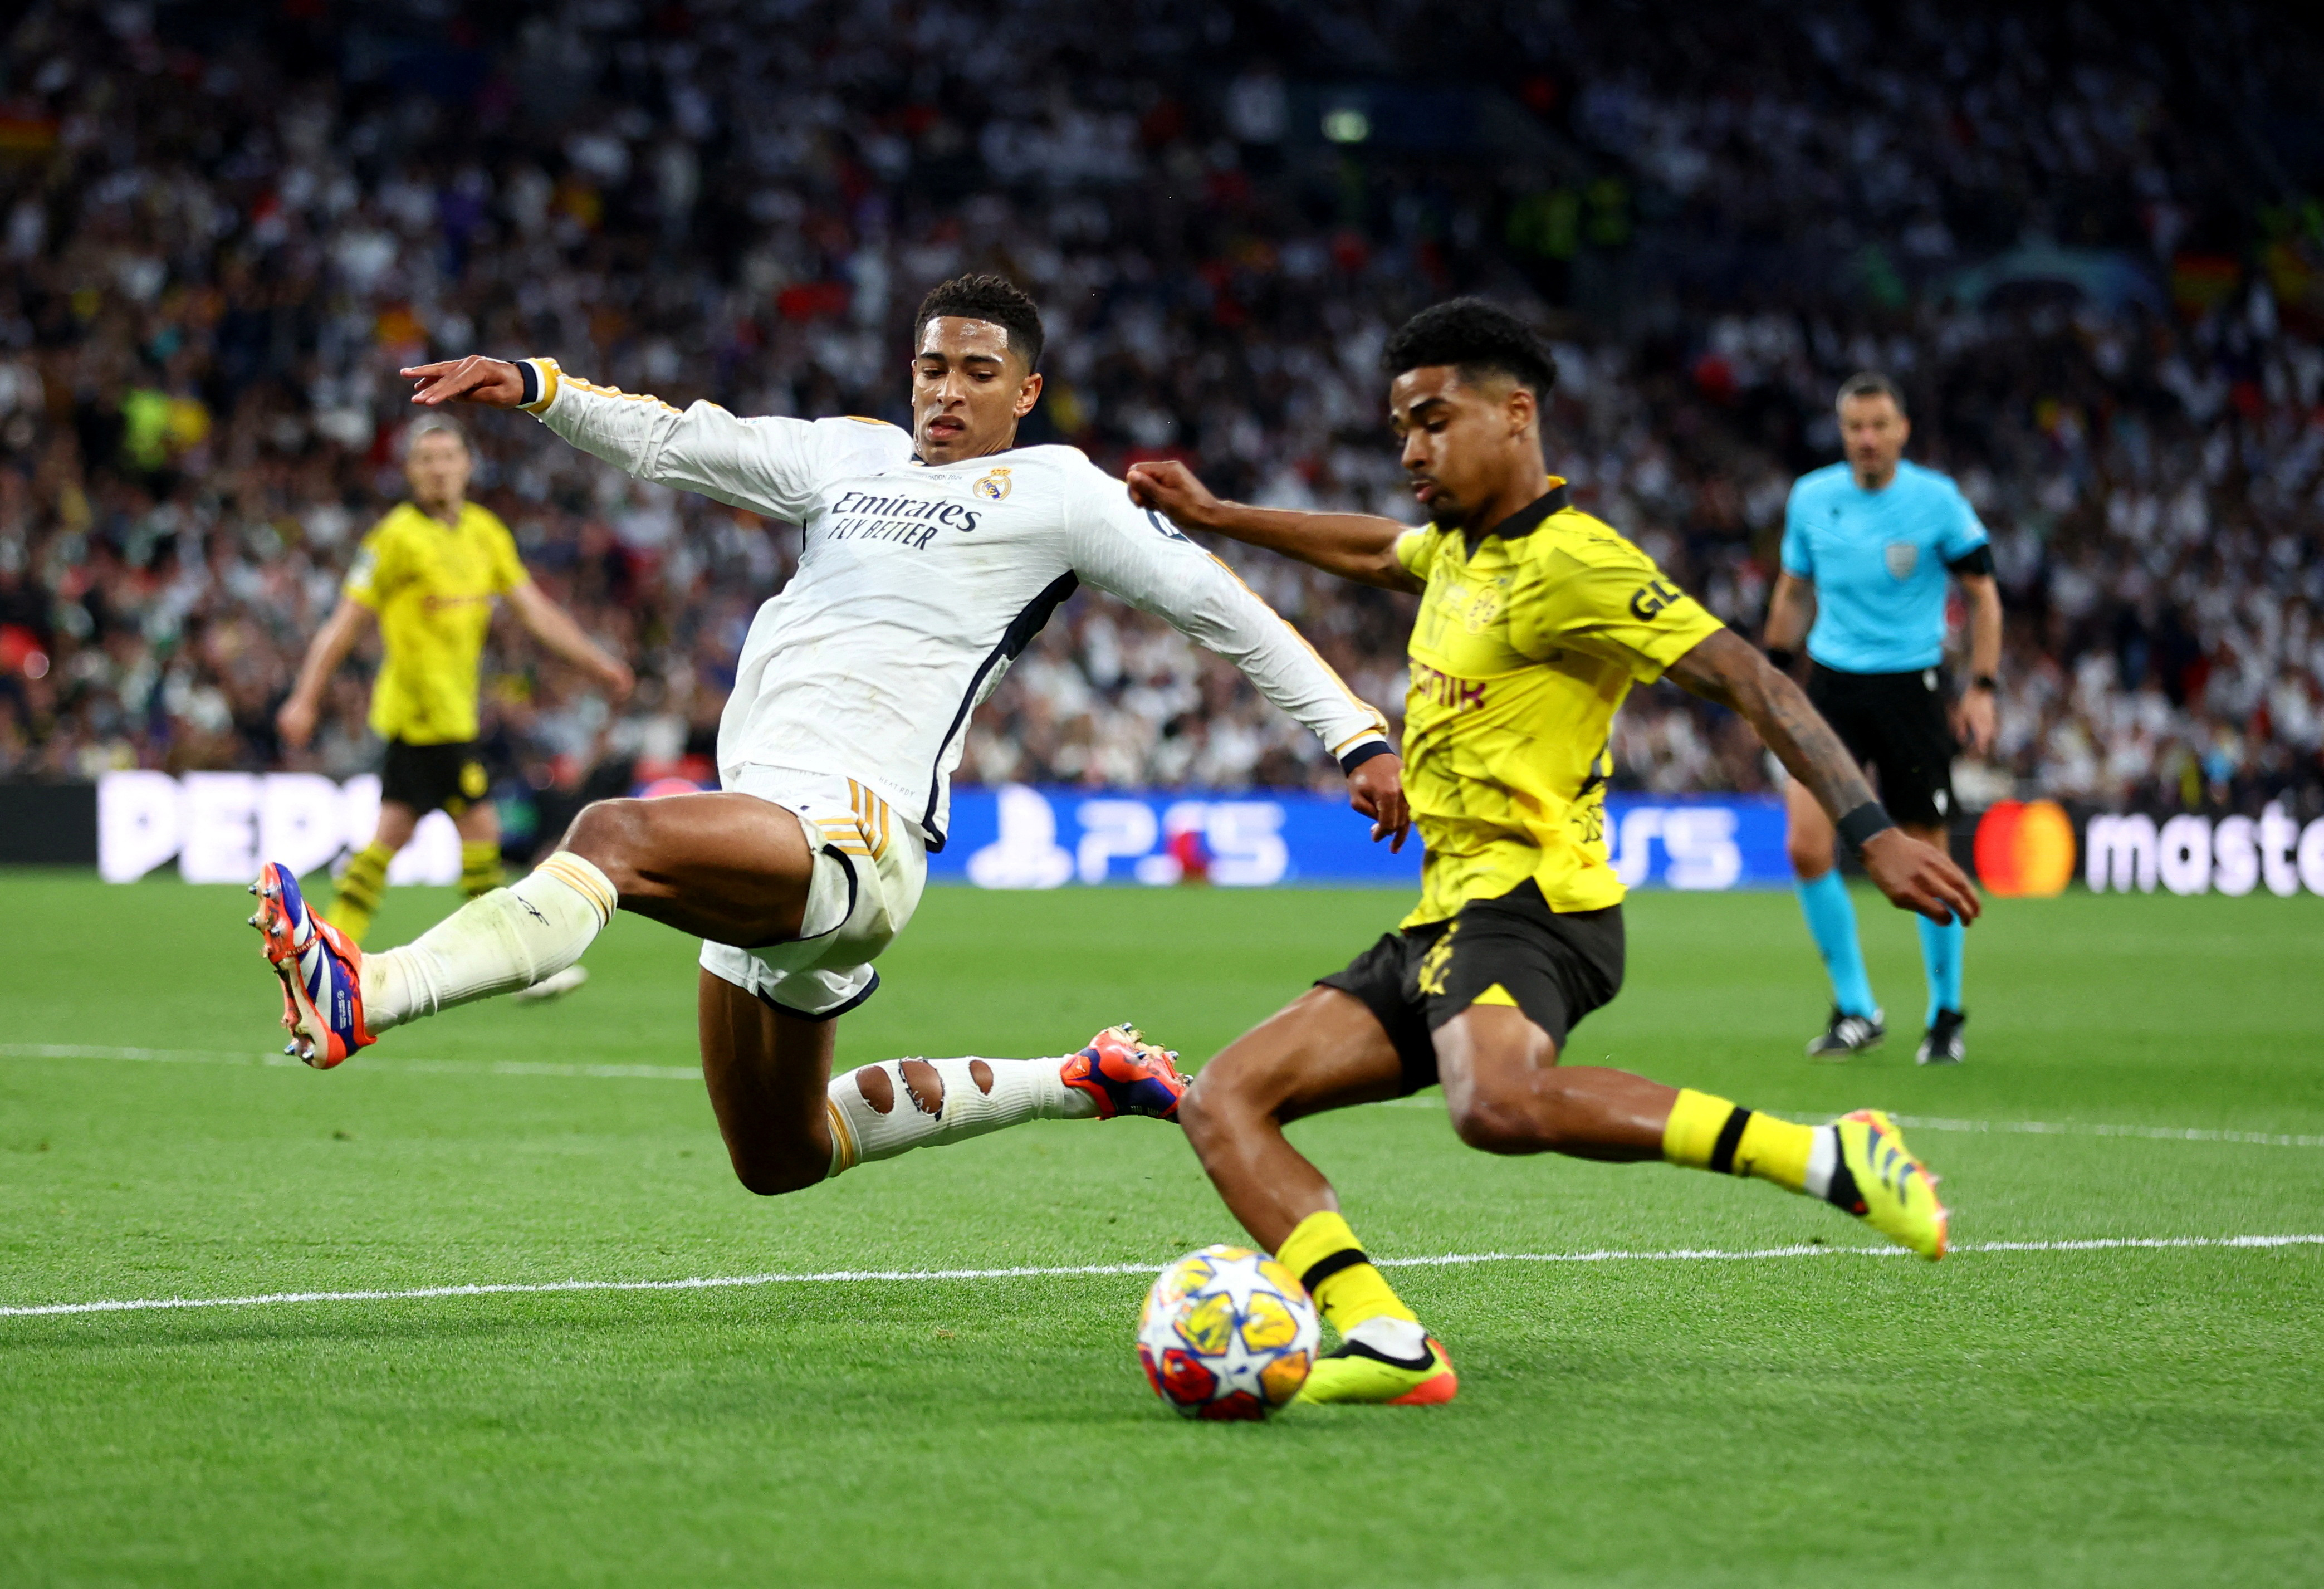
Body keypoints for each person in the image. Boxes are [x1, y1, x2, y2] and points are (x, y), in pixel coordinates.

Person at [248, 273, 1409, 1199]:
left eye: (976, 373)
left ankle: (372, 989)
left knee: (614, 831)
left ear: (1026, 393)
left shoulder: (1059, 490)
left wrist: (1353, 733)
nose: (945, 392)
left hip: (857, 831)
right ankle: (1079, 1077)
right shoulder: (847, 456)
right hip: (768, 833)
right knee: (782, 1156)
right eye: (930, 366)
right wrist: (537, 384)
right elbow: (673, 440)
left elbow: (1220, 608)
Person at [1126, 300, 1979, 1406]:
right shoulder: (1459, 551)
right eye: (1399, 427)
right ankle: (1385, 1340)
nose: (1410, 449)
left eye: (1432, 420)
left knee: (1492, 1103)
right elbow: (1373, 548)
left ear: (1515, 413)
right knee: (1221, 1098)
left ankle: (1828, 1154)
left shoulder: (1575, 562)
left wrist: (1872, 833)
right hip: (1443, 916)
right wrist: (1218, 514)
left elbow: (1750, 680)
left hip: (1539, 904)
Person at [276, 416, 633, 993]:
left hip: (454, 715)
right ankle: (516, 965)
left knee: (390, 835)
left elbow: (535, 612)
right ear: (410, 472)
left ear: (468, 465)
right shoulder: (393, 538)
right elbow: (342, 626)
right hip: (421, 715)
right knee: (480, 829)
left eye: (447, 457)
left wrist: (596, 662)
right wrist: (305, 697)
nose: (438, 468)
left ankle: (323, 957)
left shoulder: (486, 533)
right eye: (425, 459)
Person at [1762, 373, 2003, 1064]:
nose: (1867, 439)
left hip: (1912, 688)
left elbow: (1984, 596)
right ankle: (1856, 1009)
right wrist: (1772, 683)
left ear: (1902, 431)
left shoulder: (1937, 502)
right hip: (1830, 687)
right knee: (1806, 847)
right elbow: (1791, 589)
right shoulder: (1812, 498)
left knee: (1927, 853)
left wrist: (1982, 686)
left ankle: (1946, 1012)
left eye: (1879, 426)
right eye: (1854, 428)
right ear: (1843, 435)